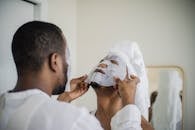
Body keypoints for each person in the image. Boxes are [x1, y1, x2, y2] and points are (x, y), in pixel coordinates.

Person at [0, 21, 142, 130]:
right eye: (66, 57)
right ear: (54, 61)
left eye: (113, 62)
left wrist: (65, 98)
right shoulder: (76, 120)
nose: (104, 65)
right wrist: (129, 101)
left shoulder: (5, 107)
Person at [86, 41, 153, 130]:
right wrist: (66, 97)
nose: (102, 64)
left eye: (113, 63)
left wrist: (128, 99)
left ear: (128, 81)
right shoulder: (82, 120)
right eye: (102, 61)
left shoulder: (143, 127)